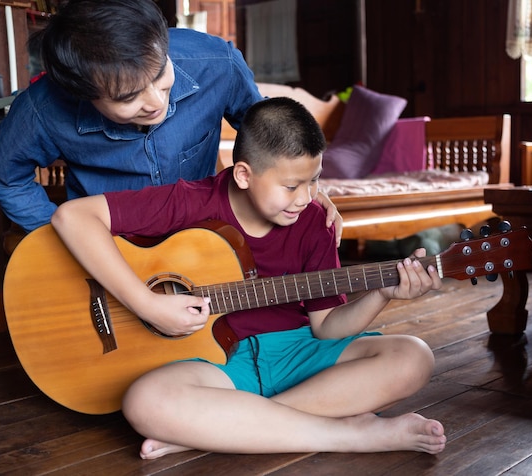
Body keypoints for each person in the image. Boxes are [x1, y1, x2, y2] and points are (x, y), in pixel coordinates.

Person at [51, 97, 447, 458]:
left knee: (413, 356)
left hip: (300, 354)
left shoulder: (314, 221)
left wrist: (382, 294)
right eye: (292, 185)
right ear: (243, 174)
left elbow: (327, 328)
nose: (306, 197)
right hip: (220, 363)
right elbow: (72, 216)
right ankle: (353, 435)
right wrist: (147, 302)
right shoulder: (191, 201)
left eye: (314, 180)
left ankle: (223, 428)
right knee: (145, 401)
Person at [0, 0, 339, 238]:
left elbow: (270, 139)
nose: (155, 102)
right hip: (111, 246)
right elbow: (5, 176)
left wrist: (303, 186)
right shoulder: (44, 107)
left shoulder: (216, 62)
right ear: (83, 92)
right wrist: (61, 235)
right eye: (128, 97)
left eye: (160, 74)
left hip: (206, 238)